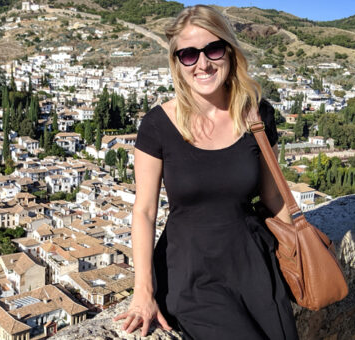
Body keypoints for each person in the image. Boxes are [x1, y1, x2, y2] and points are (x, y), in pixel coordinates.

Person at [113, 5, 299, 340]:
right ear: (177, 62)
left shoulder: (257, 115)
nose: (202, 63)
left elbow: (272, 195)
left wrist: (302, 248)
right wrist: (143, 290)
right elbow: (143, 211)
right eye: (188, 54)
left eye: (213, 49)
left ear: (229, 52)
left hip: (252, 262)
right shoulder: (158, 126)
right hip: (189, 271)